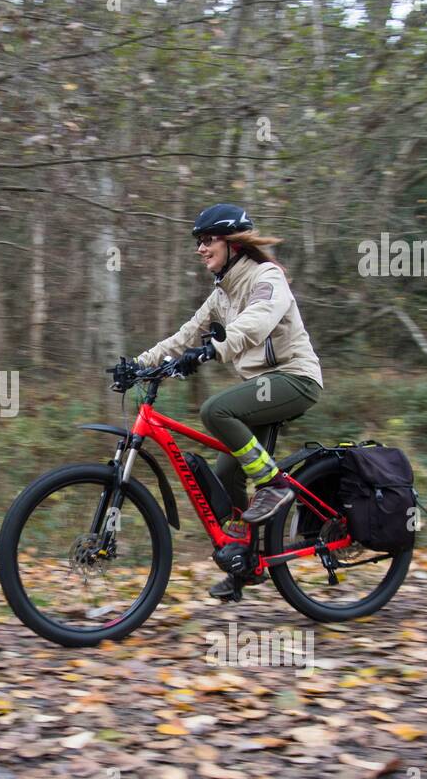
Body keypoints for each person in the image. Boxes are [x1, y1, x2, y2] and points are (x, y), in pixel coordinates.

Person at [134, 203, 324, 600]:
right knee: (225, 476)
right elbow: (185, 335)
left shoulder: (266, 277)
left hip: (295, 379)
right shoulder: (221, 294)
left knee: (215, 410)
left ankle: (272, 483)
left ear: (233, 244)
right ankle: (246, 564)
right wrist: (138, 364)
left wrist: (214, 349)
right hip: (261, 387)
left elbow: (256, 321)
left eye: (207, 241)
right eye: (198, 243)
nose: (200, 249)